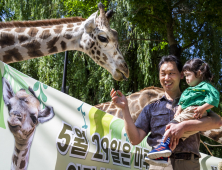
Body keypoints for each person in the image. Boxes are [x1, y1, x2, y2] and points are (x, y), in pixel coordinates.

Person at [110, 55, 222, 170]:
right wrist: (124, 109)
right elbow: (135, 139)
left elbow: (217, 122)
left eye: (172, 73)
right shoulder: (151, 108)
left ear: (181, 74)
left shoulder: (196, 101)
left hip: (188, 164)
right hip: (159, 165)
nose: (167, 78)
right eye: (163, 74)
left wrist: (183, 126)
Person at [145, 58, 220, 167]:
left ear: (199, 73)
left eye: (188, 75)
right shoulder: (189, 90)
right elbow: (183, 102)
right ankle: (164, 155)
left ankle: (162, 146)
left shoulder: (205, 87)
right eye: (185, 76)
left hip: (194, 111)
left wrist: (203, 108)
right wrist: (179, 110)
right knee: (175, 136)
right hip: (187, 112)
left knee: (170, 126)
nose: (186, 79)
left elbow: (214, 99)